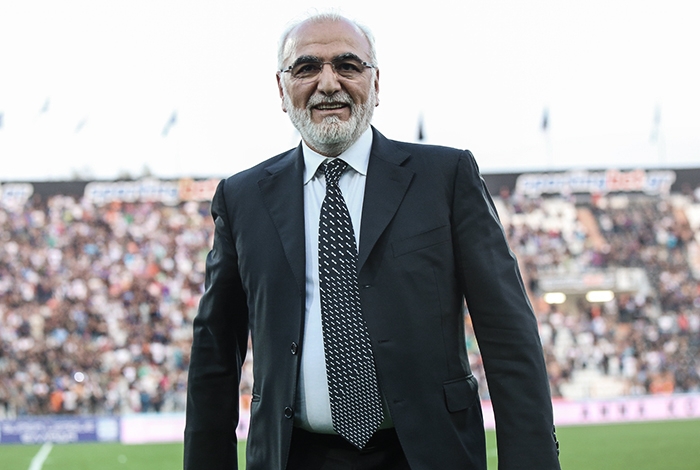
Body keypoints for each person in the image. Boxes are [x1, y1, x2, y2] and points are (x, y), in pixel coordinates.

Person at [184, 11, 561, 470]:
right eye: (306, 68)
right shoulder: (241, 198)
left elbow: (507, 335)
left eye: (347, 65)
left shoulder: (444, 178)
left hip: (428, 456)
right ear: (281, 90)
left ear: (376, 83)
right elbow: (215, 350)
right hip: (293, 455)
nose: (328, 84)